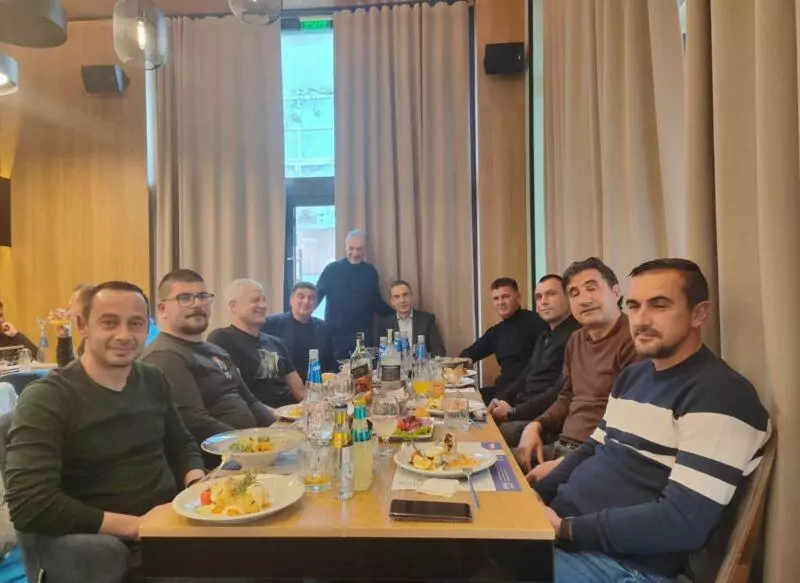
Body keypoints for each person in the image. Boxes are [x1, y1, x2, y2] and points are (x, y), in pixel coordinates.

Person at [535, 259, 771, 583]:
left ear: (699, 313)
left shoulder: (721, 395)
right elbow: (592, 448)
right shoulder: (633, 377)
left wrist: (566, 529)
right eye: (634, 306)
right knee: (467, 545)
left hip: (625, 566)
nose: (642, 320)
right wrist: (536, 494)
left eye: (659, 305)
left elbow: (683, 522)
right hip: (567, 534)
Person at [5, 281, 205, 583]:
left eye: (135, 323)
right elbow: (29, 503)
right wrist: (136, 526)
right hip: (116, 548)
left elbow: (181, 444)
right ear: (82, 325)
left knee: (272, 555)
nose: (124, 335)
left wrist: (199, 486)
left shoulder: (152, 379)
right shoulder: (47, 398)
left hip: (173, 525)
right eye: (109, 322)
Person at [514, 258, 637, 480]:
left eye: (592, 288)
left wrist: (566, 464)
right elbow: (566, 397)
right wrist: (536, 425)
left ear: (616, 292)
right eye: (574, 293)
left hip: (596, 459)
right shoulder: (576, 339)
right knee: (485, 461)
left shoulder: (633, 339)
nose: (584, 299)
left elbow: (627, 425)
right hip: (562, 446)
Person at [140, 269, 274, 452]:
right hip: (222, 459)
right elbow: (196, 423)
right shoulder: (165, 355)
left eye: (202, 296)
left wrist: (282, 432)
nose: (197, 304)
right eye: (184, 298)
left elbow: (250, 400)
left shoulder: (216, 350)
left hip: (253, 449)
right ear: (163, 309)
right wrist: (254, 445)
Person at [487, 275, 581, 446]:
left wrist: (513, 412)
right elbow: (526, 374)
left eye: (551, 294)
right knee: (474, 420)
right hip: (523, 408)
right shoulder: (545, 335)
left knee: (487, 436)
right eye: (538, 297)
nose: (543, 302)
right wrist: (503, 399)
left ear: (568, 297)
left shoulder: (576, 336)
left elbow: (558, 392)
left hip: (544, 420)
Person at [208, 279, 305, 409]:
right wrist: (277, 416)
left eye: (264, 300)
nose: (263, 305)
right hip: (260, 416)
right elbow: (238, 394)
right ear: (233, 305)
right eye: (255, 300)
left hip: (292, 412)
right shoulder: (222, 339)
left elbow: (300, 392)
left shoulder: (276, 342)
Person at [459, 277, 547, 402]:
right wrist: (467, 359)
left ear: (518, 297)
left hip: (525, 394)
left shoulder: (536, 323)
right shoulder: (497, 331)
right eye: (496, 298)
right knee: (460, 399)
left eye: (505, 296)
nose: (500, 302)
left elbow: (540, 368)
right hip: (501, 390)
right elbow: (470, 352)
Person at [316, 229, 394, 359]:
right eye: (351, 248)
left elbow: (376, 301)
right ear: (345, 247)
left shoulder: (370, 272)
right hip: (335, 337)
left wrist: (397, 314)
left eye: (359, 249)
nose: (355, 253)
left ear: (365, 249)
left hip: (363, 337)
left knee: (364, 372)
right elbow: (316, 297)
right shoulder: (332, 270)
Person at [263, 281, 335, 382]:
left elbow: (330, 362)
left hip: (318, 385)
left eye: (311, 298)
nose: (306, 302)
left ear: (316, 303)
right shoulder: (271, 324)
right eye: (301, 297)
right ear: (291, 300)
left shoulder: (323, 327)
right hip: (283, 385)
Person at [378, 280, 446, 356]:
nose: (402, 300)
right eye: (396, 297)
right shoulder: (385, 323)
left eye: (405, 295)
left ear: (412, 297)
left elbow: (438, 349)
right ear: (392, 301)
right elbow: (379, 352)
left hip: (421, 363)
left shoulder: (427, 319)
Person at [55, 283, 93, 367]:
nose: (68, 313)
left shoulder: (97, 339)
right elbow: (69, 370)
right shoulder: (88, 336)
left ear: (84, 309)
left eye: (71, 306)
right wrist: (65, 337)